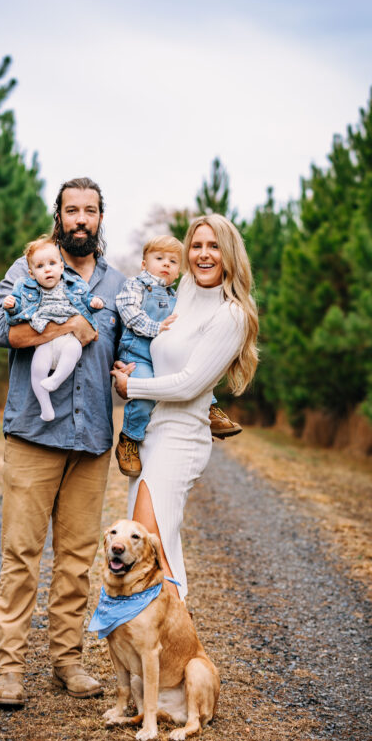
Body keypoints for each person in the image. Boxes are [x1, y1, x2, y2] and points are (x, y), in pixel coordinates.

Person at [0, 177, 126, 707]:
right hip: (33, 433)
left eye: (90, 211)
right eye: (72, 211)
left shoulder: (118, 286)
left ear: (99, 218)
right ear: (59, 216)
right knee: (21, 555)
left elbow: (131, 344)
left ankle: (67, 662)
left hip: (91, 439)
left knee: (76, 558)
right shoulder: (30, 266)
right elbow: (3, 330)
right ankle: (10, 671)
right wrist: (66, 325)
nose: (81, 220)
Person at [110, 214, 259, 599]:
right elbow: (160, 353)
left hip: (180, 438)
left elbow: (191, 383)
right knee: (159, 551)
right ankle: (163, 651)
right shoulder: (185, 294)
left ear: (230, 254)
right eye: (196, 245)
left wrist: (133, 385)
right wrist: (131, 365)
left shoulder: (231, 314)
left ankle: (176, 647)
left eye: (214, 246)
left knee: (147, 551)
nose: (203, 255)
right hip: (151, 435)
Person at [114, 235, 244, 478]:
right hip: (139, 355)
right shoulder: (137, 285)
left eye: (173, 261)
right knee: (142, 396)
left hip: (163, 351)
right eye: (159, 258)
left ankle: (209, 410)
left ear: (179, 271)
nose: (166, 264)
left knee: (191, 369)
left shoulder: (176, 295)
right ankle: (129, 439)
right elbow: (128, 311)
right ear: (144, 265)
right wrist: (157, 328)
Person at [3, 235, 105, 422]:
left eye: (52, 263)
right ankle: (46, 408)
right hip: (45, 340)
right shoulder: (27, 289)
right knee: (37, 369)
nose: (47, 269)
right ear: (32, 274)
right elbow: (17, 310)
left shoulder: (74, 286)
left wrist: (95, 303)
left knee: (73, 351)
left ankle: (56, 379)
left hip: (68, 339)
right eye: (40, 266)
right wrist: (11, 306)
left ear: (61, 266)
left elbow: (86, 301)